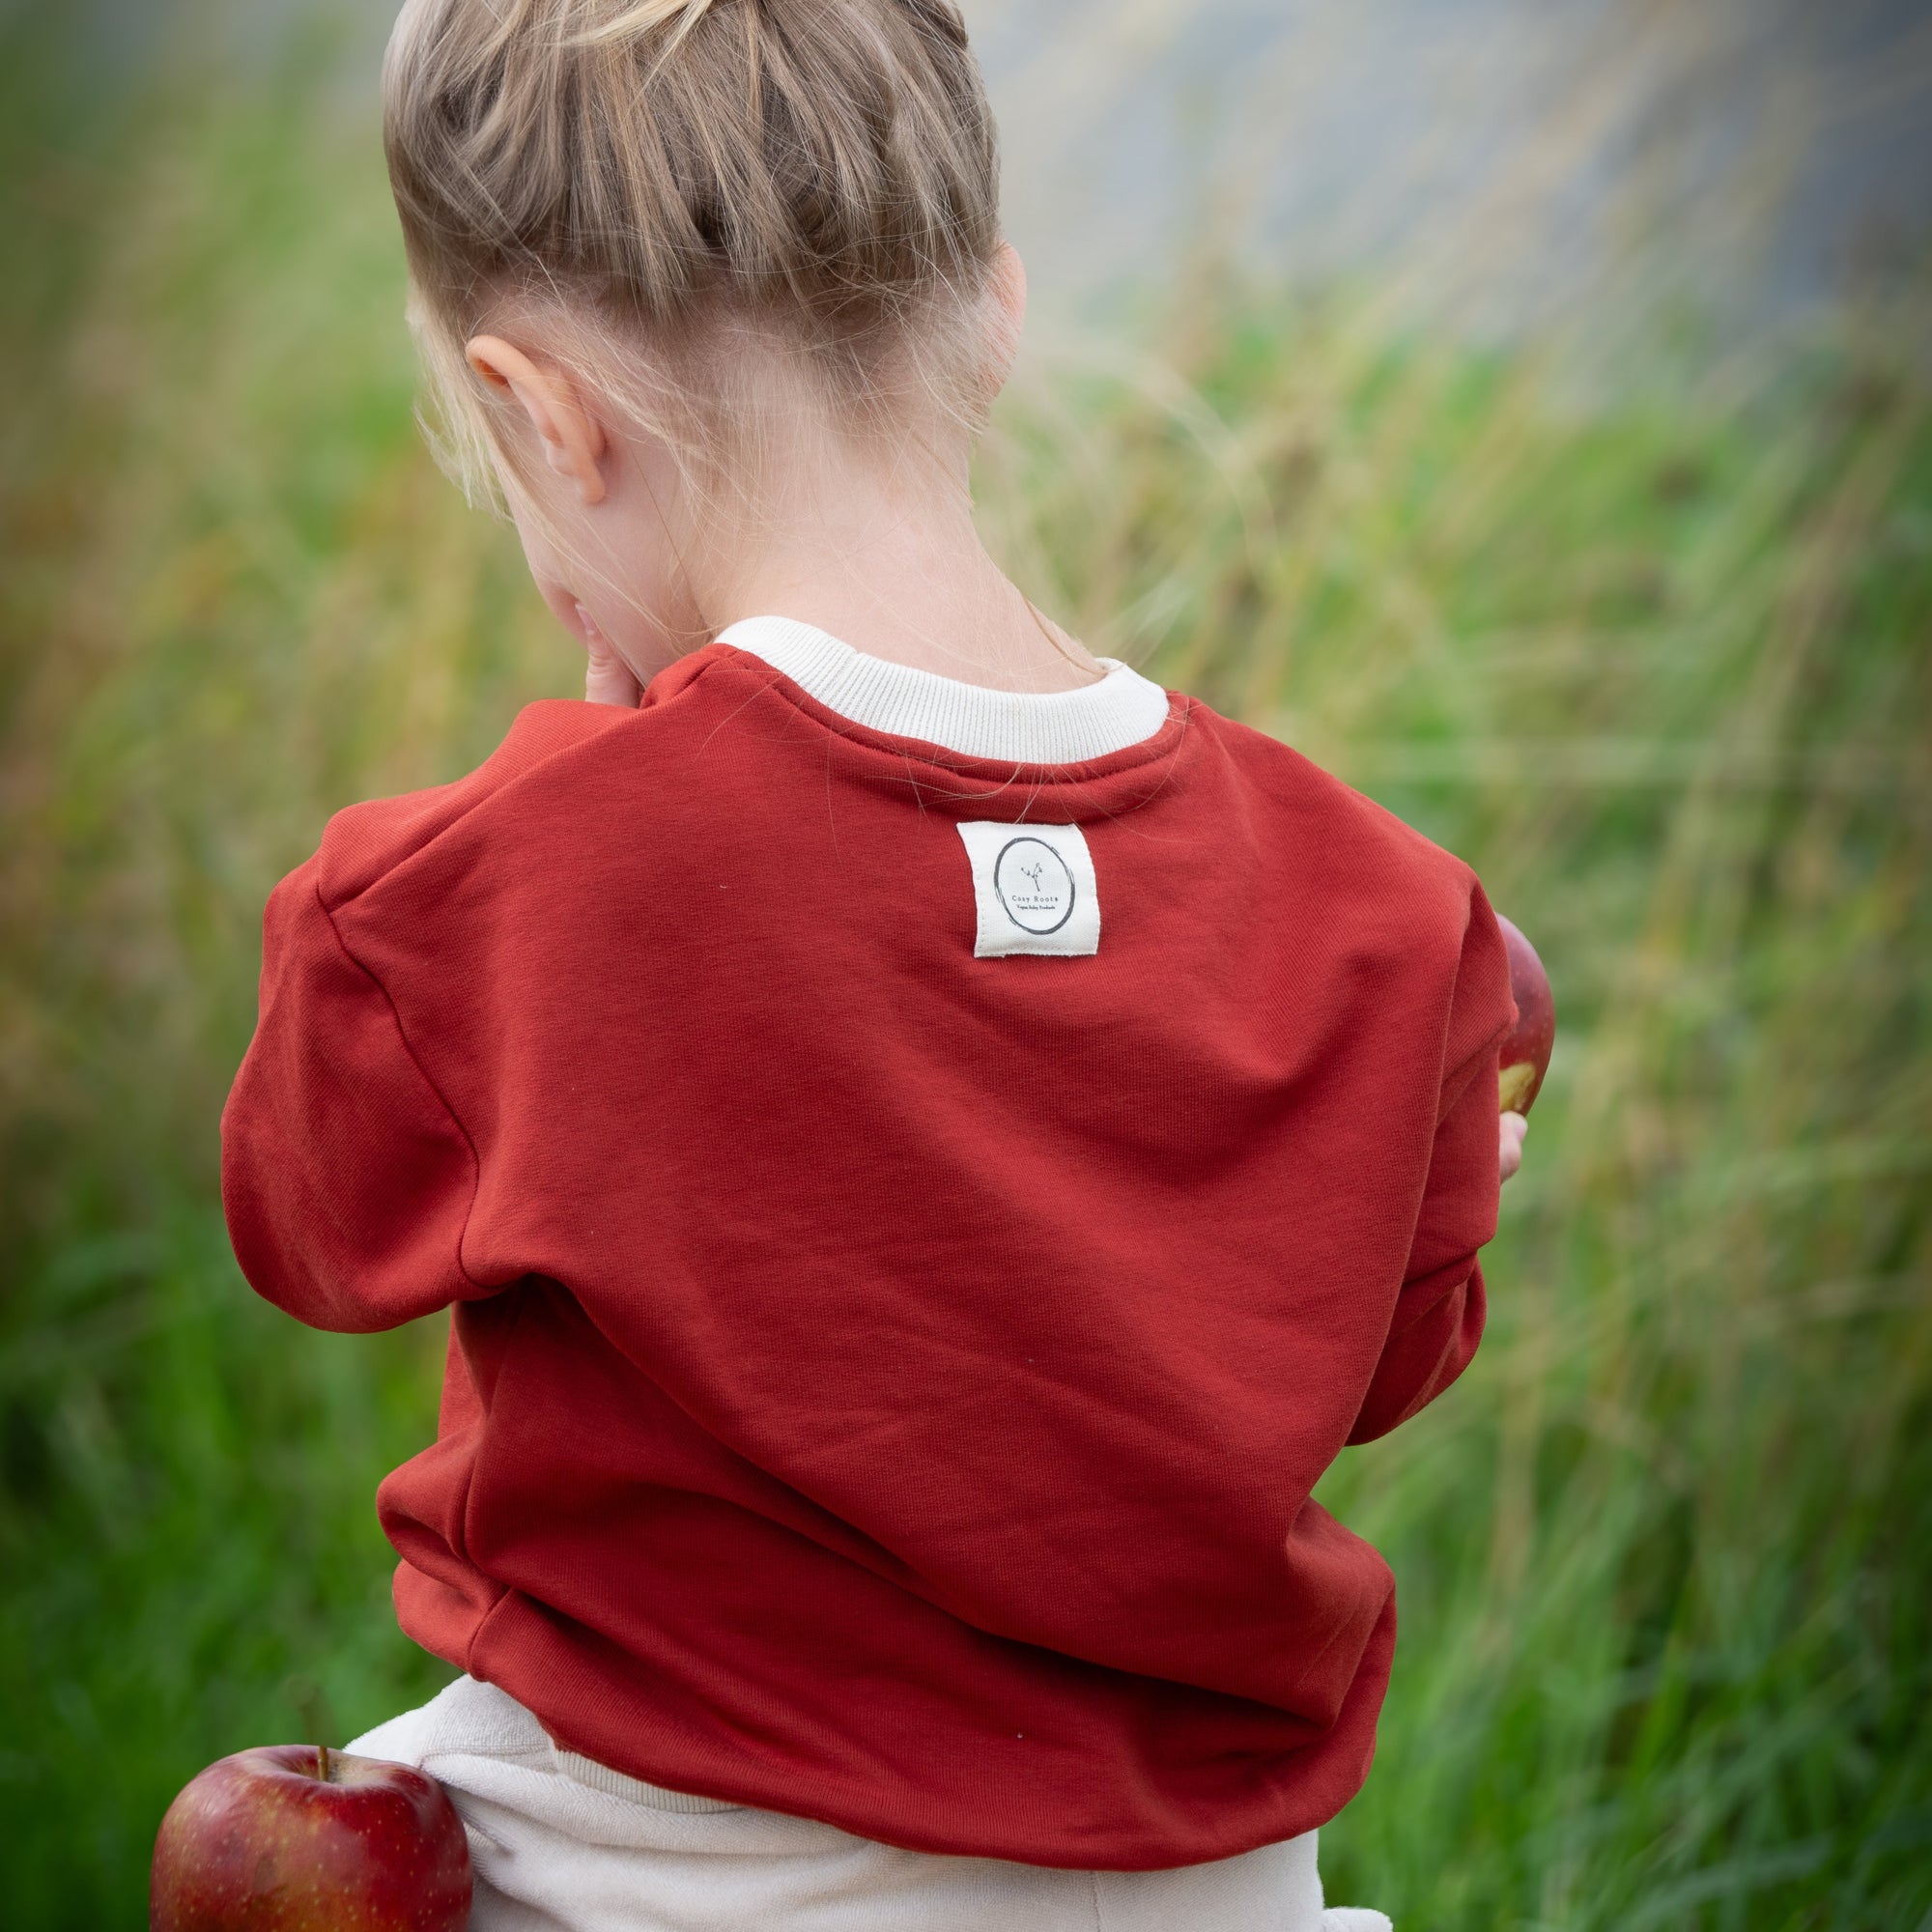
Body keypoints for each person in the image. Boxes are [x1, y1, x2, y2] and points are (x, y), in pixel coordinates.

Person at [221, 1, 1530, 1925]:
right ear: (992, 314)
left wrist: (562, 821)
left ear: (540, 415)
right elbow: (1383, 1348)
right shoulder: (1395, 916)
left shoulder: (491, 887)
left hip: (647, 1880)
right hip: (1218, 1890)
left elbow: (309, 1231)